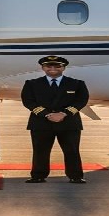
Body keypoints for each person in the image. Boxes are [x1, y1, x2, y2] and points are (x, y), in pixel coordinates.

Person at [20, 55, 89, 184]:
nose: (52, 68)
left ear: (63, 68)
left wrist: (64, 114)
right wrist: (47, 114)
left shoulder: (76, 84)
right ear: (43, 68)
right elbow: (28, 101)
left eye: (57, 66)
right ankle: (38, 176)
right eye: (48, 66)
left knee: (72, 151)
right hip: (41, 123)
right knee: (40, 151)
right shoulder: (32, 84)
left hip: (68, 123)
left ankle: (76, 176)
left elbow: (81, 100)